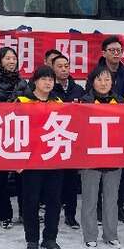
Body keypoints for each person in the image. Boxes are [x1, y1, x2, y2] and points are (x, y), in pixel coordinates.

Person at [16, 66, 65, 249]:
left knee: (54, 202)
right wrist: (17, 160)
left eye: (51, 79)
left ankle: (50, 238)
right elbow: (15, 131)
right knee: (31, 201)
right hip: (31, 160)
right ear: (35, 81)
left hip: (53, 158)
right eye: (44, 79)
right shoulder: (22, 101)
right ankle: (32, 240)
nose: (47, 83)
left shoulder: (58, 102)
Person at [87, 36, 124, 224]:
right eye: (112, 50)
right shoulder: (95, 73)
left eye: (119, 50)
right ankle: (98, 210)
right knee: (97, 172)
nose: (116, 53)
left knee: (118, 174)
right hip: (98, 130)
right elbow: (88, 98)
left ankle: (118, 208)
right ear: (103, 52)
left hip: (119, 130)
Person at [0, 46, 29, 229]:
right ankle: (4, 214)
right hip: (0, 133)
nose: (12, 61)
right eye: (8, 58)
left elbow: (30, 104)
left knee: (23, 176)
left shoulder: (22, 82)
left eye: (14, 58)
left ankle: (25, 213)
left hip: (20, 133)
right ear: (0, 61)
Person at [79, 66, 124, 249]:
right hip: (90, 159)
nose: (103, 83)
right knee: (90, 200)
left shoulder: (120, 102)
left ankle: (111, 235)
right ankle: (90, 236)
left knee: (111, 200)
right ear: (92, 82)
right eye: (99, 79)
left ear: (112, 82)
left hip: (114, 157)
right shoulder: (84, 102)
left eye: (107, 79)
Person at [50, 54, 86, 229]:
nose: (64, 69)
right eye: (60, 66)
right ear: (52, 68)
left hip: (73, 141)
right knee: (55, 182)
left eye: (66, 66)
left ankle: (70, 215)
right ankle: (53, 215)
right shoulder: (48, 88)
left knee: (71, 181)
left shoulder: (77, 89)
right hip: (54, 140)